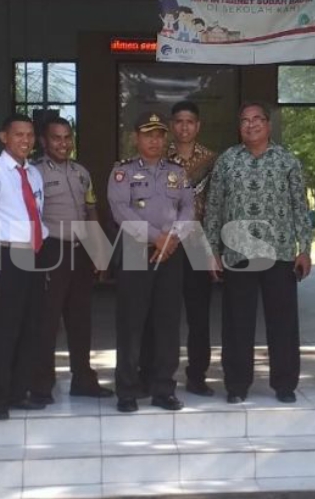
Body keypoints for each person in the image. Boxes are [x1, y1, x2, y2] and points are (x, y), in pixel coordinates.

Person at [205, 102, 311, 404]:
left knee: (283, 322)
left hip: (279, 253)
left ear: (268, 124)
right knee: (237, 323)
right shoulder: (227, 161)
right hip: (237, 253)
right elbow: (214, 208)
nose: (251, 125)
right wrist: (211, 250)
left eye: (257, 120)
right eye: (245, 121)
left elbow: (300, 207)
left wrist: (304, 248)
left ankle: (285, 384)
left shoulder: (287, 160)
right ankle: (237, 385)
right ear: (239, 127)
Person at [108, 111, 196, 413]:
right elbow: (120, 210)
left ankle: (163, 388)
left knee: (167, 322)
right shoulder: (123, 172)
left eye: (159, 135)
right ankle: (128, 389)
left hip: (171, 253)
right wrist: (156, 237)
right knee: (132, 323)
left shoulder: (178, 171)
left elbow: (188, 207)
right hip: (136, 249)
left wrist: (172, 238)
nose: (154, 140)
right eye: (148, 135)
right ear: (137, 138)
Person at [27, 116, 113, 403]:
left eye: (67, 138)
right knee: (47, 321)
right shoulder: (34, 173)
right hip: (51, 251)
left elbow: (91, 212)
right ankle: (41, 385)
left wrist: (99, 251)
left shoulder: (81, 173)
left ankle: (83, 379)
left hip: (80, 251)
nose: (63, 144)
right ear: (43, 141)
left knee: (80, 319)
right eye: (56, 138)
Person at [0, 114, 50, 420]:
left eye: (30, 135)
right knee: (2, 333)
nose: (25, 141)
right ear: (4, 137)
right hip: (5, 256)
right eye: (19, 135)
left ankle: (19, 392)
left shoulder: (33, 174)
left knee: (30, 329)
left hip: (32, 256)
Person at [163, 101, 219, 396]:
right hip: (167, 242)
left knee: (199, 315)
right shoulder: (159, 158)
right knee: (165, 312)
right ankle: (161, 375)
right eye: (179, 121)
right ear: (172, 125)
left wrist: (213, 250)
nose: (184, 127)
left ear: (198, 126)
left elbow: (217, 206)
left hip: (198, 241)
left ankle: (197, 375)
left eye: (190, 122)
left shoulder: (211, 160)